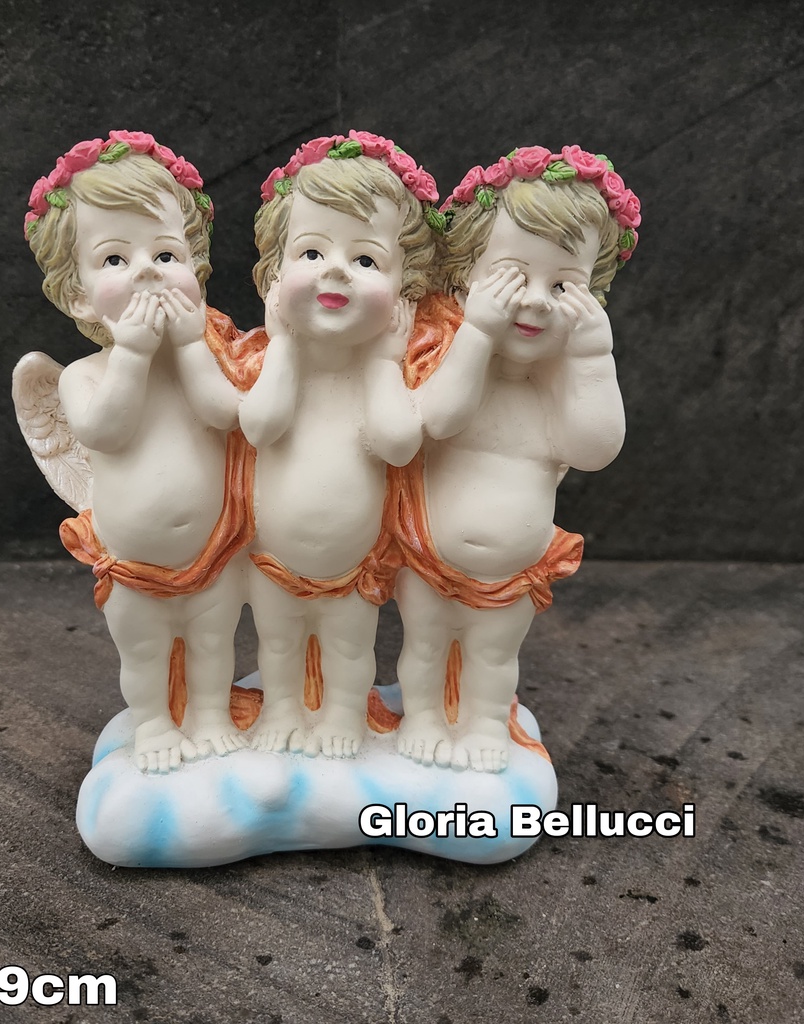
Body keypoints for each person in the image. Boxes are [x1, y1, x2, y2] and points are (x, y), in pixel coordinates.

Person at [393, 145, 641, 772]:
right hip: (426, 558)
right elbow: (436, 420)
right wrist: (477, 333)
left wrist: (592, 358)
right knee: (424, 647)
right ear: (464, 277)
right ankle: (422, 718)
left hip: (513, 572)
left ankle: (483, 724)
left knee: (494, 657)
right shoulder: (449, 361)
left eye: (563, 286)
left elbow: (594, 450)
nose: (534, 301)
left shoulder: (556, 386)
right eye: (510, 278)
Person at [24, 131, 251, 772]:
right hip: (133, 562)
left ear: (195, 275)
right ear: (78, 294)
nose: (147, 270)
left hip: (215, 549)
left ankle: (210, 715)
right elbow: (104, 430)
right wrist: (131, 354)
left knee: (213, 643)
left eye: (165, 253)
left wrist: (189, 347)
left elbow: (226, 415)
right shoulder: (84, 375)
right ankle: (153, 724)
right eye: (115, 259)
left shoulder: (202, 361)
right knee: (145, 652)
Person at [239, 130, 439, 757]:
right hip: (272, 557)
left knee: (351, 648)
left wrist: (383, 360)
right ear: (274, 274)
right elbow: (260, 426)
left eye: (366, 260)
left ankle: (344, 717)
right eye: (311, 251)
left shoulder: (383, 373)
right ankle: (282, 710)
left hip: (355, 565)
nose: (335, 270)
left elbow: (397, 444)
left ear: (406, 291)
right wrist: (283, 344)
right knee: (277, 643)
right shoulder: (273, 363)